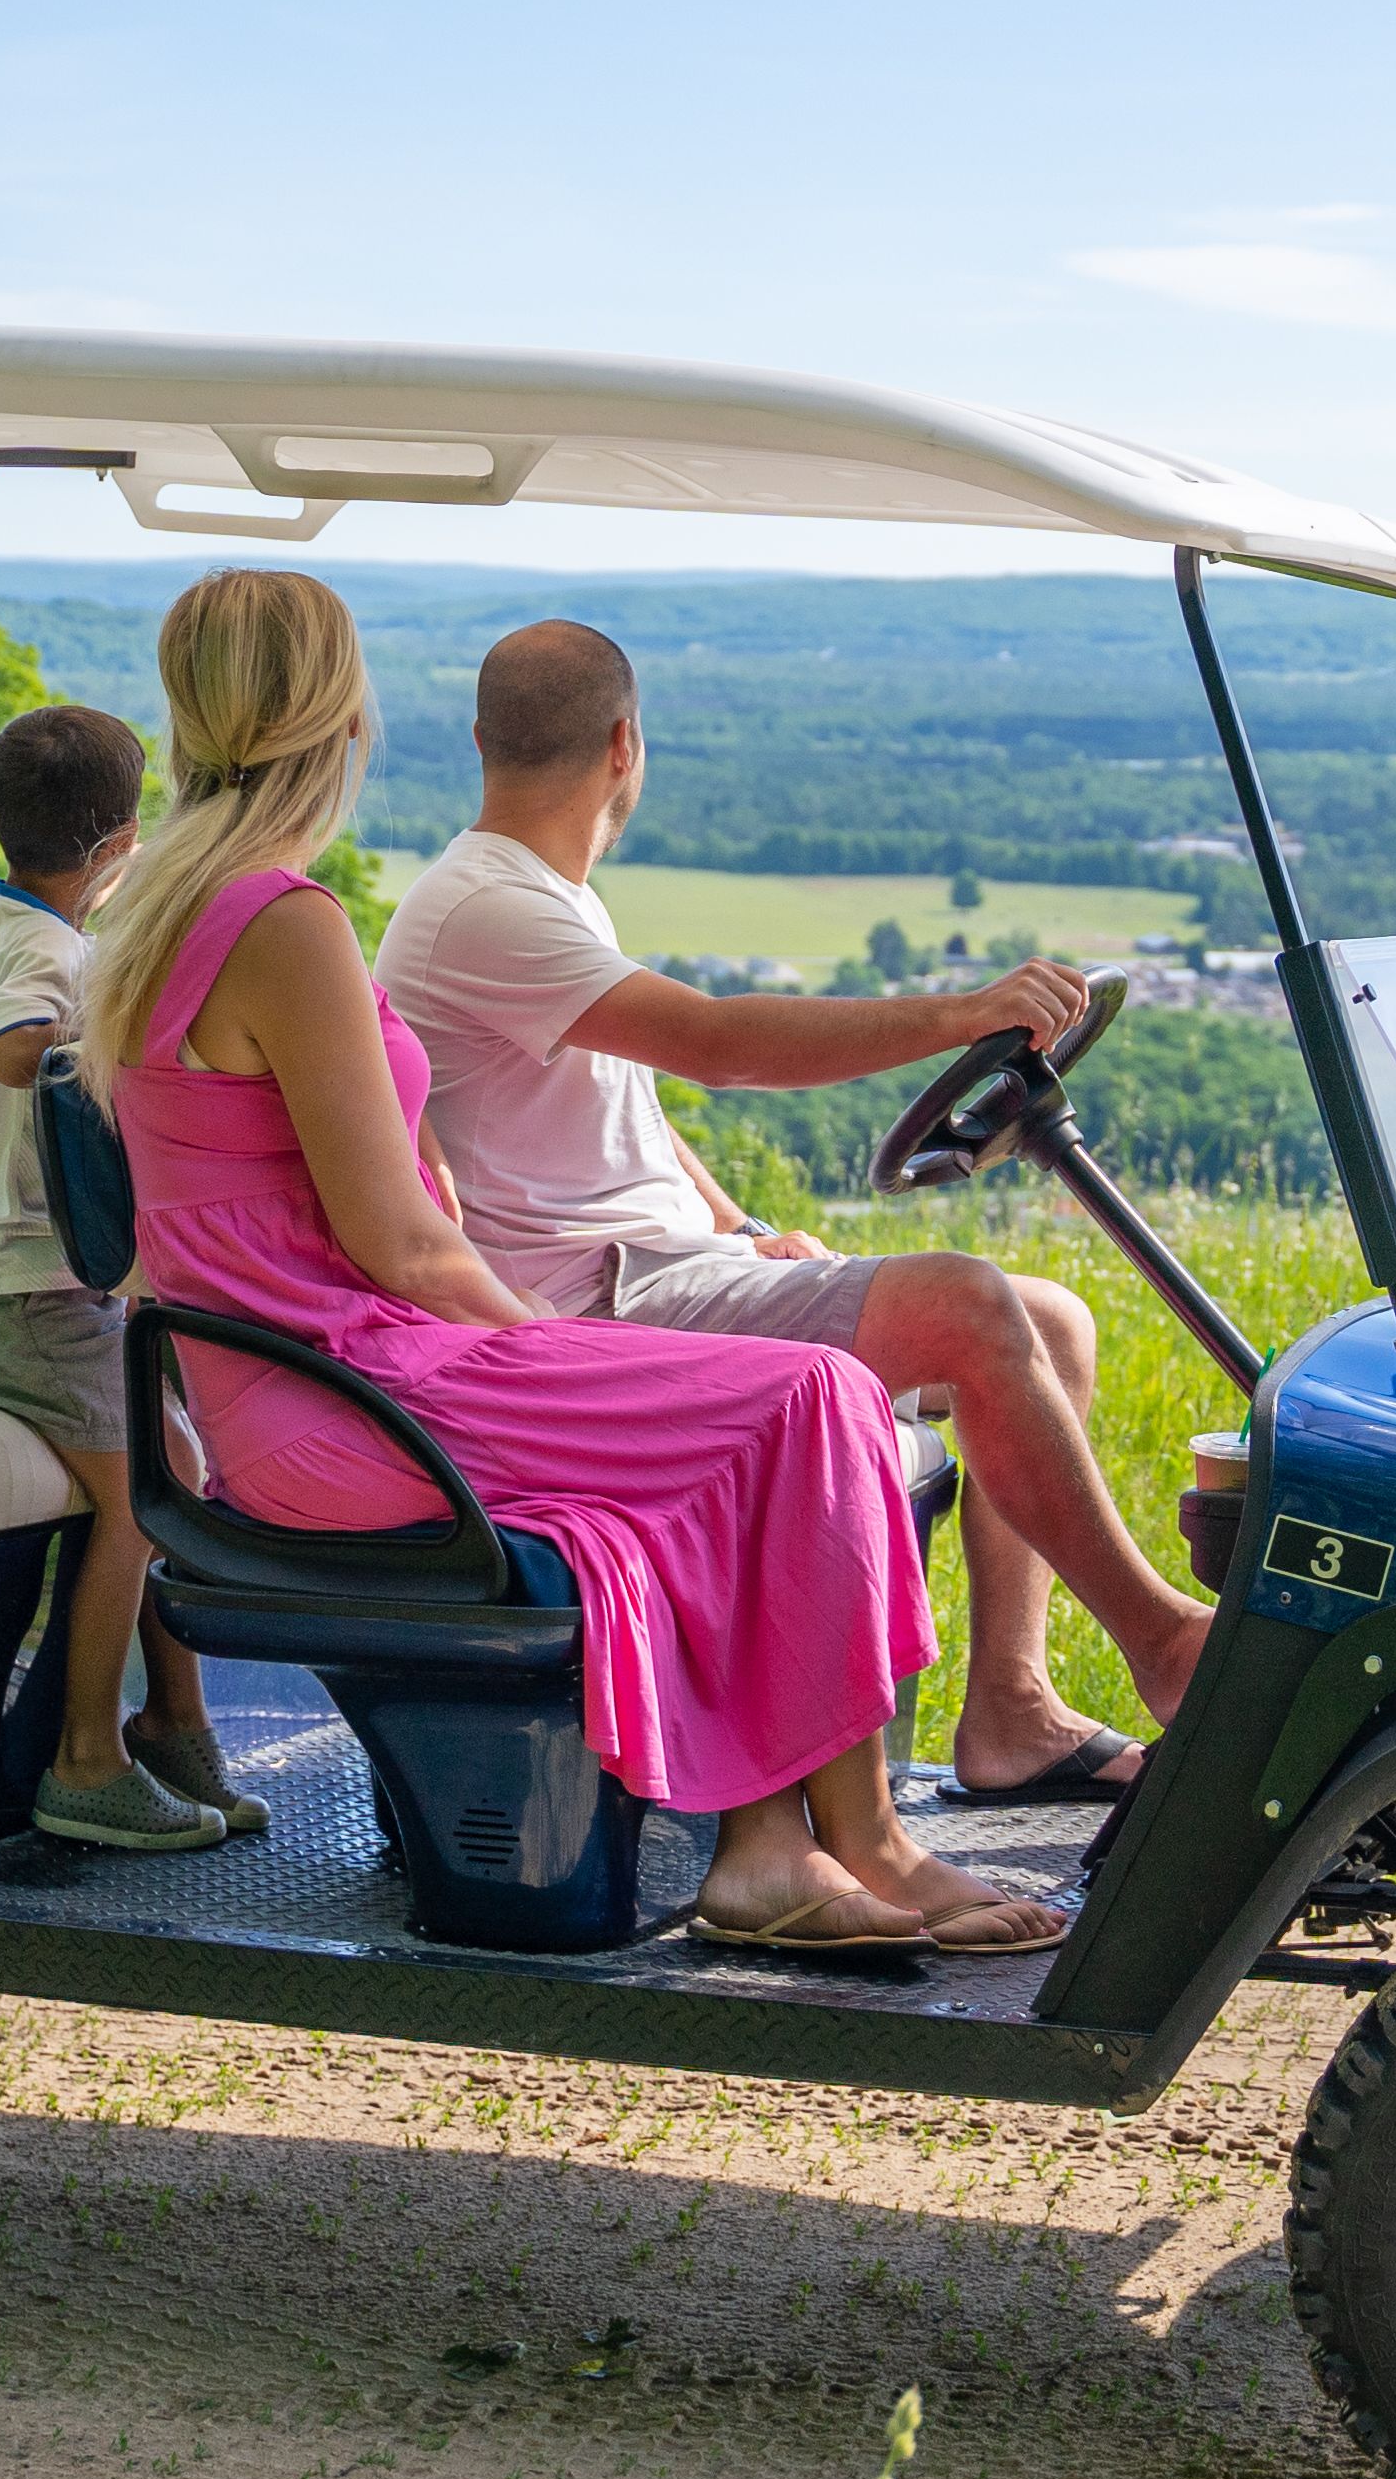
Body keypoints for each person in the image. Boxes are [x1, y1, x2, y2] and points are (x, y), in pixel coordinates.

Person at [89, 570, 1059, 1954]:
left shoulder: (166, 909)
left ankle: (783, 1848)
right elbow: (405, 1241)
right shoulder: (280, 921)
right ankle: (842, 1848)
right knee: (807, 1397)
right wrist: (550, 1344)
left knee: (795, 1402)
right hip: (348, 1398)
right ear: (342, 715)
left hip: (298, 1387)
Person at [377, 619, 1204, 1800]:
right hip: (594, 1312)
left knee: (1052, 1323)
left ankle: (1013, 1709)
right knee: (969, 1306)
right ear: (627, 745)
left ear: (480, 742)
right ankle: (1167, 1641)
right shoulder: (488, 910)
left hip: (663, 1267)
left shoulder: (533, 896)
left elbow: (633, 1108)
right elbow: (715, 1046)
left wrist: (738, 1222)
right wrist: (959, 1013)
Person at [0, 703, 263, 1855]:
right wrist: (97, 1052)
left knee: (181, 1465)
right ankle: (85, 1757)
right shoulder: (49, 953)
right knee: (144, 1494)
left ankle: (177, 1723)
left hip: (14, 1278)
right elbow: (17, 1045)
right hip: (19, 1287)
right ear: (120, 851)